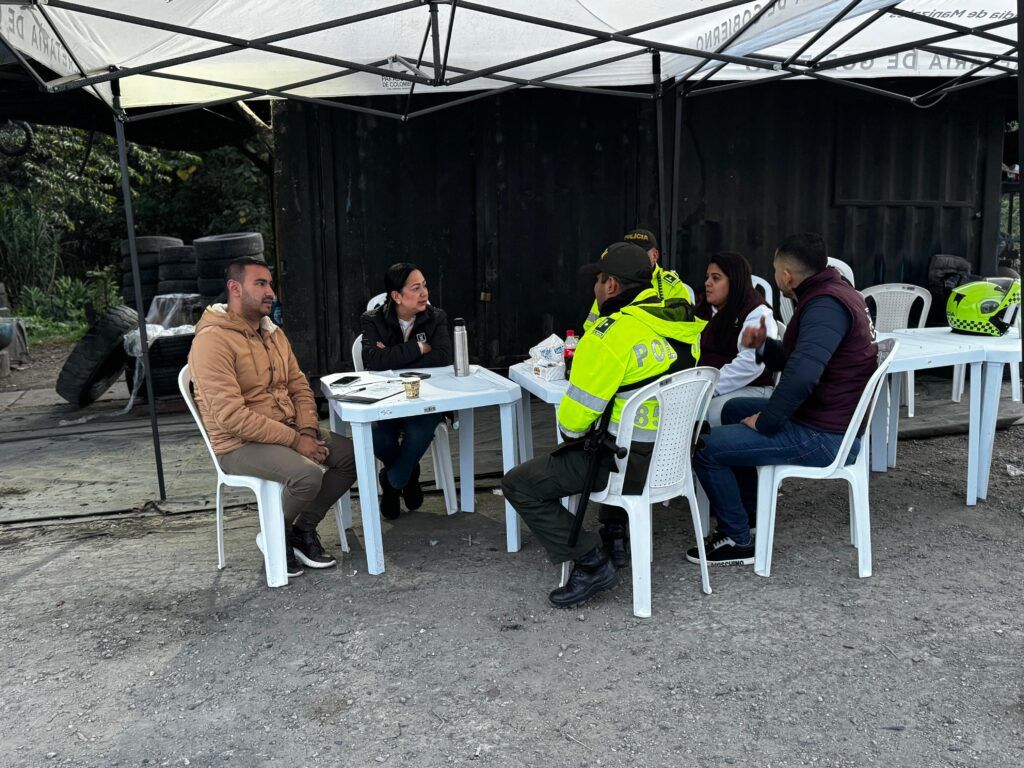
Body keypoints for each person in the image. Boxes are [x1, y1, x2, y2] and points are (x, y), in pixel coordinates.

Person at [502, 242, 705, 609]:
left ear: (611, 286)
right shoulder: (680, 322)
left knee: (520, 483)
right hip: (672, 461)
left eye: (598, 278)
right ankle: (612, 538)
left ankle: (592, 561)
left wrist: (572, 442)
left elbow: (572, 422)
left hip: (624, 466)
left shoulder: (611, 335)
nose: (595, 286)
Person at [689, 233, 878, 566]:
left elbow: (803, 377)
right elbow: (800, 363)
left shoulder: (825, 306)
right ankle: (748, 515)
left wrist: (766, 421)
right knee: (733, 409)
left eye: (775, 270)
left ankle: (736, 538)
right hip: (823, 415)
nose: (775, 276)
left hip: (826, 434)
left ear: (786, 276)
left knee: (703, 447)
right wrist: (763, 347)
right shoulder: (834, 293)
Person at [188, 256, 356, 577]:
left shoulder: (273, 332)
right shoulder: (212, 341)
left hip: (288, 429)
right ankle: (275, 536)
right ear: (234, 289)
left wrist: (306, 429)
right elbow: (230, 417)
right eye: (260, 284)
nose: (271, 292)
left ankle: (299, 531)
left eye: (270, 284)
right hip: (238, 445)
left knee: (352, 456)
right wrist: (296, 441)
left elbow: (299, 385)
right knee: (308, 475)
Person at [360, 263, 453, 520]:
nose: (424, 292)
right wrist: (420, 348)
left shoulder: (436, 317)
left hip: (427, 397)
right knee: (379, 438)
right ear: (396, 296)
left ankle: (392, 481)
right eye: (415, 288)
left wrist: (392, 355)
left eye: (424, 285)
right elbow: (374, 362)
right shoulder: (372, 320)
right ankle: (409, 475)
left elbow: (444, 357)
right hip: (386, 399)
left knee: (419, 429)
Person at [695, 251, 778, 427]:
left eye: (716, 278)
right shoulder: (707, 308)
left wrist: (708, 387)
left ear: (734, 281)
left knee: (698, 413)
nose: (707, 283)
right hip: (708, 383)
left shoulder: (756, 313)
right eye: (707, 277)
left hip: (751, 389)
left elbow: (751, 364)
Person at [583, 228, 693, 334]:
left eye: (641, 252)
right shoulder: (614, 282)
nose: (633, 257)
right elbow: (591, 326)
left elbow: (683, 328)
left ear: (655, 255)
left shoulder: (670, 285)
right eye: (627, 254)